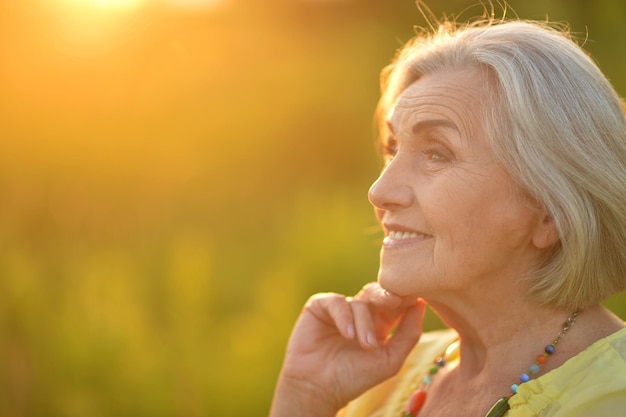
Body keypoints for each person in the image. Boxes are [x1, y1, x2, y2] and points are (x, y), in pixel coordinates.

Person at [269, 10, 626, 417]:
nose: (379, 191)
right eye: (391, 149)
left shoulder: (611, 399)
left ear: (550, 209)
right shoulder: (388, 373)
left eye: (436, 153)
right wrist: (306, 398)